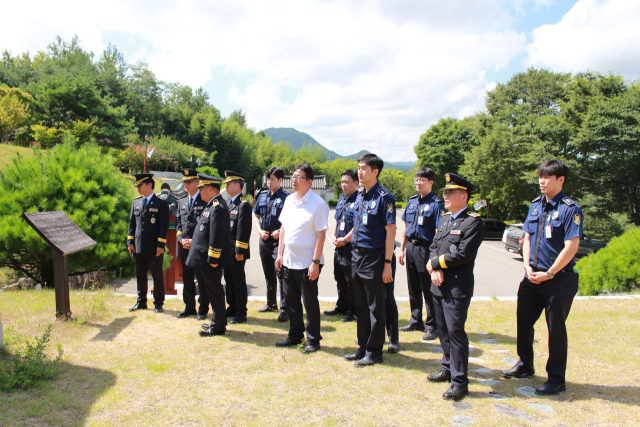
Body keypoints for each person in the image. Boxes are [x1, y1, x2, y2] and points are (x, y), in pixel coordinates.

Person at [502, 160, 583, 396]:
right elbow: (526, 237)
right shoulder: (536, 205)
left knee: (555, 328)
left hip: (558, 279)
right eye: (540, 176)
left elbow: (571, 246)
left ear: (561, 180)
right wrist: (527, 265)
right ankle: (525, 364)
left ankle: (556, 378)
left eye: (547, 177)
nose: (542, 181)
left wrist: (550, 273)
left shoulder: (570, 209)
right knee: (523, 321)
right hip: (532, 275)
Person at [426, 173, 483, 401]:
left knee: (455, 332)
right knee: (442, 330)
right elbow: (434, 246)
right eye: (445, 193)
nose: (446, 196)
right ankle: (447, 369)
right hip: (438, 285)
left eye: (450, 193)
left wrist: (436, 263)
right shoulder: (444, 219)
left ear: (464, 196)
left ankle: (460, 382)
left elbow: (462, 254)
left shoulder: (473, 222)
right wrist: (434, 267)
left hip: (457, 287)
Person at [342, 153, 398, 366]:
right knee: (361, 306)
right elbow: (357, 225)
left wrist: (387, 264)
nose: (360, 171)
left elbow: (390, 232)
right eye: (359, 167)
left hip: (375, 258)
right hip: (356, 256)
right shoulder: (359, 196)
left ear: (375, 171)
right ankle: (363, 346)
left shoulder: (385, 198)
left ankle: (375, 351)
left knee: (376, 306)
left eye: (364, 168)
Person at [275, 164, 329, 354]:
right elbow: (283, 229)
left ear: (309, 182)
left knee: (309, 301)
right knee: (291, 301)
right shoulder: (289, 200)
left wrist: (315, 263)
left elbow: (321, 236)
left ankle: (313, 340)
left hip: (308, 263)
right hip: (288, 259)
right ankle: (295, 335)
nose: (294, 180)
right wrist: (280, 254)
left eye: (299, 177)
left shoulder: (318, 204)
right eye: (293, 176)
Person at [398, 167, 444, 342]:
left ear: (430, 182)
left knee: (429, 289)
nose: (418, 183)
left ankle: (432, 325)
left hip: (427, 249)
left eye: (422, 180)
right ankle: (416, 320)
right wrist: (402, 249)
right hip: (411, 247)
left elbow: (438, 232)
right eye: (416, 180)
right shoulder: (411, 202)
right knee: (413, 287)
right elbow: (405, 227)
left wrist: (435, 257)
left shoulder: (436, 204)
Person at [185, 174, 232, 336]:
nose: (200, 192)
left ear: (210, 189)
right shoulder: (212, 205)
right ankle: (218, 321)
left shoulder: (217, 206)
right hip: (205, 257)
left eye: (201, 189)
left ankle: (217, 326)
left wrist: (213, 259)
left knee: (214, 291)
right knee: (213, 291)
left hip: (210, 259)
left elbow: (216, 236)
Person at [127, 173, 170, 313]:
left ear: (149, 185)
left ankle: (158, 303)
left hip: (153, 247)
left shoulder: (161, 203)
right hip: (139, 246)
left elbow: (164, 227)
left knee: (157, 275)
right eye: (137, 185)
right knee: (140, 275)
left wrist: (160, 245)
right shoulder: (136, 202)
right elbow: (132, 224)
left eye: (140, 185)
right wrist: (130, 242)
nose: (138, 188)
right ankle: (141, 302)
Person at [253, 167, 290, 321]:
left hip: (278, 242)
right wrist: (259, 231)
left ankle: (285, 308)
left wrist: (280, 232)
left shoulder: (287, 198)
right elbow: (255, 214)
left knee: (281, 274)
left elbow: (290, 220)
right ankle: (270, 304)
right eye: (268, 179)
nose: (269, 182)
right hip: (264, 240)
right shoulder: (262, 196)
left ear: (280, 180)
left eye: (272, 179)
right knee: (268, 273)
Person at [175, 168, 210, 320]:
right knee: (187, 279)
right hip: (184, 247)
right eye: (185, 182)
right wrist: (181, 239)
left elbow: (206, 225)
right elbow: (178, 224)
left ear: (197, 183)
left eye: (189, 182)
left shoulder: (204, 200)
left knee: (202, 279)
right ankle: (189, 307)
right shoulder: (181, 201)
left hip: (198, 248)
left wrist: (193, 241)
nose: (186, 184)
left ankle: (203, 309)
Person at [326, 169, 359, 322]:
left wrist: (345, 239)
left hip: (350, 247)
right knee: (339, 277)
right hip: (339, 246)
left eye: (347, 182)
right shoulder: (342, 199)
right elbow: (335, 218)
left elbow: (358, 224)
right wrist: (333, 235)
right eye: (342, 182)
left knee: (351, 280)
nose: (344, 185)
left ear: (356, 183)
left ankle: (353, 311)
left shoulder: (360, 200)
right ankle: (341, 306)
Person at [223, 170, 252, 324]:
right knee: (228, 279)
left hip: (236, 251)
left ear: (237, 185)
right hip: (227, 251)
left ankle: (241, 311)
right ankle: (232, 306)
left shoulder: (244, 205)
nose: (226, 186)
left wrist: (239, 250)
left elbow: (244, 229)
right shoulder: (228, 203)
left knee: (238, 281)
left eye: (228, 184)